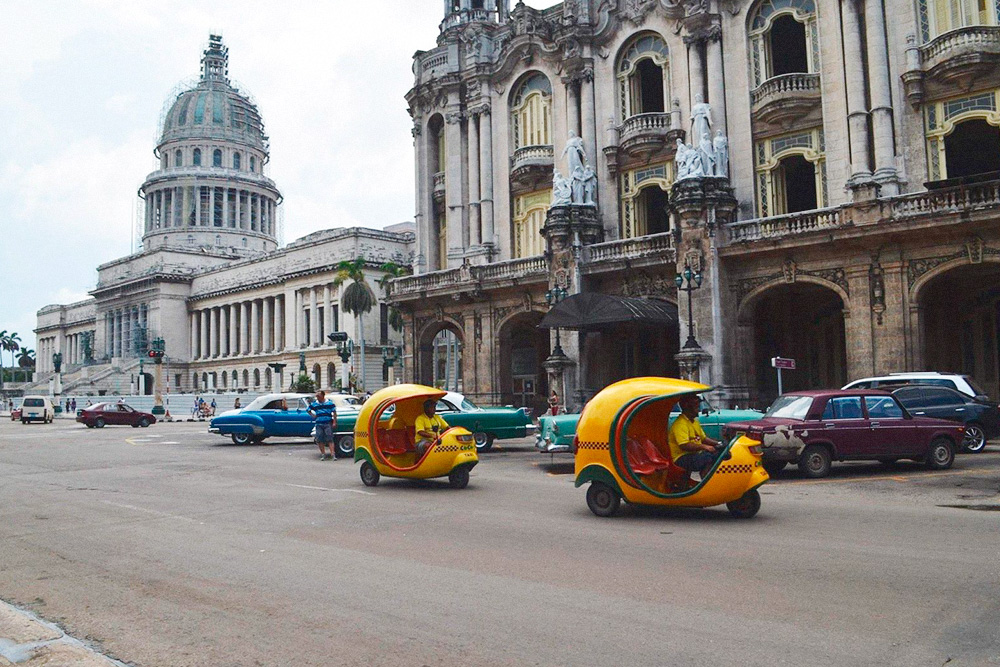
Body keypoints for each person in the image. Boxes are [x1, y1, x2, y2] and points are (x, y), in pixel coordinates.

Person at [668, 394, 722, 480]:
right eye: (696, 407)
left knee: (718, 454)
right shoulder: (680, 424)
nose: (698, 409)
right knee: (707, 458)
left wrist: (719, 444)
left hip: (692, 455)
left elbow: (703, 438)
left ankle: (711, 481)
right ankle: (705, 483)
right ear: (687, 407)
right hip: (680, 458)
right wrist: (704, 447)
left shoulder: (694, 421)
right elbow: (684, 445)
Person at [308, 390, 337, 460]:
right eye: (316, 396)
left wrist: (334, 422)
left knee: (330, 439)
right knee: (319, 439)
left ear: (323, 396)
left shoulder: (329, 403)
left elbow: (334, 412)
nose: (317, 397)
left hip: (328, 422)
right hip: (319, 423)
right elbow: (308, 409)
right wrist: (313, 415)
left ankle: (332, 454)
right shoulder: (315, 404)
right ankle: (323, 454)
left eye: (318, 396)